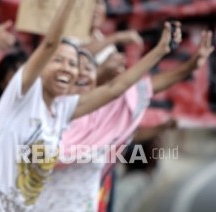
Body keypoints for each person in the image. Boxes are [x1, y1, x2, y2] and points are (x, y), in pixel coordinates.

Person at [0, 0, 181, 211]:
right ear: (41, 66)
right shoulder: (22, 96)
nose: (67, 67)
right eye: (58, 61)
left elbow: (114, 89)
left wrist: (159, 52)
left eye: (72, 64)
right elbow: (51, 43)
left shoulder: (63, 110)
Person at [34, 28, 212, 211]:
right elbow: (116, 87)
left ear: (96, 77)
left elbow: (142, 87)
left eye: (88, 68)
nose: (82, 74)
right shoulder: (40, 112)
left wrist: (189, 66)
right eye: (76, 68)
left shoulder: (104, 115)